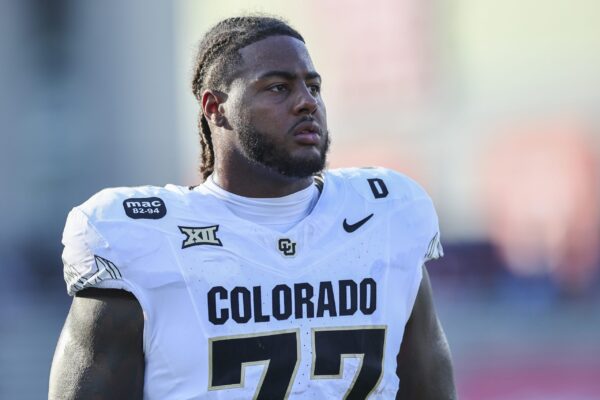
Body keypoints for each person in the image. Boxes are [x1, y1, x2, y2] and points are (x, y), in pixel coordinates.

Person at [49, 15, 456, 399]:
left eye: (313, 86)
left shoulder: (385, 215)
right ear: (215, 107)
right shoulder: (140, 238)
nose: (307, 102)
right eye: (278, 87)